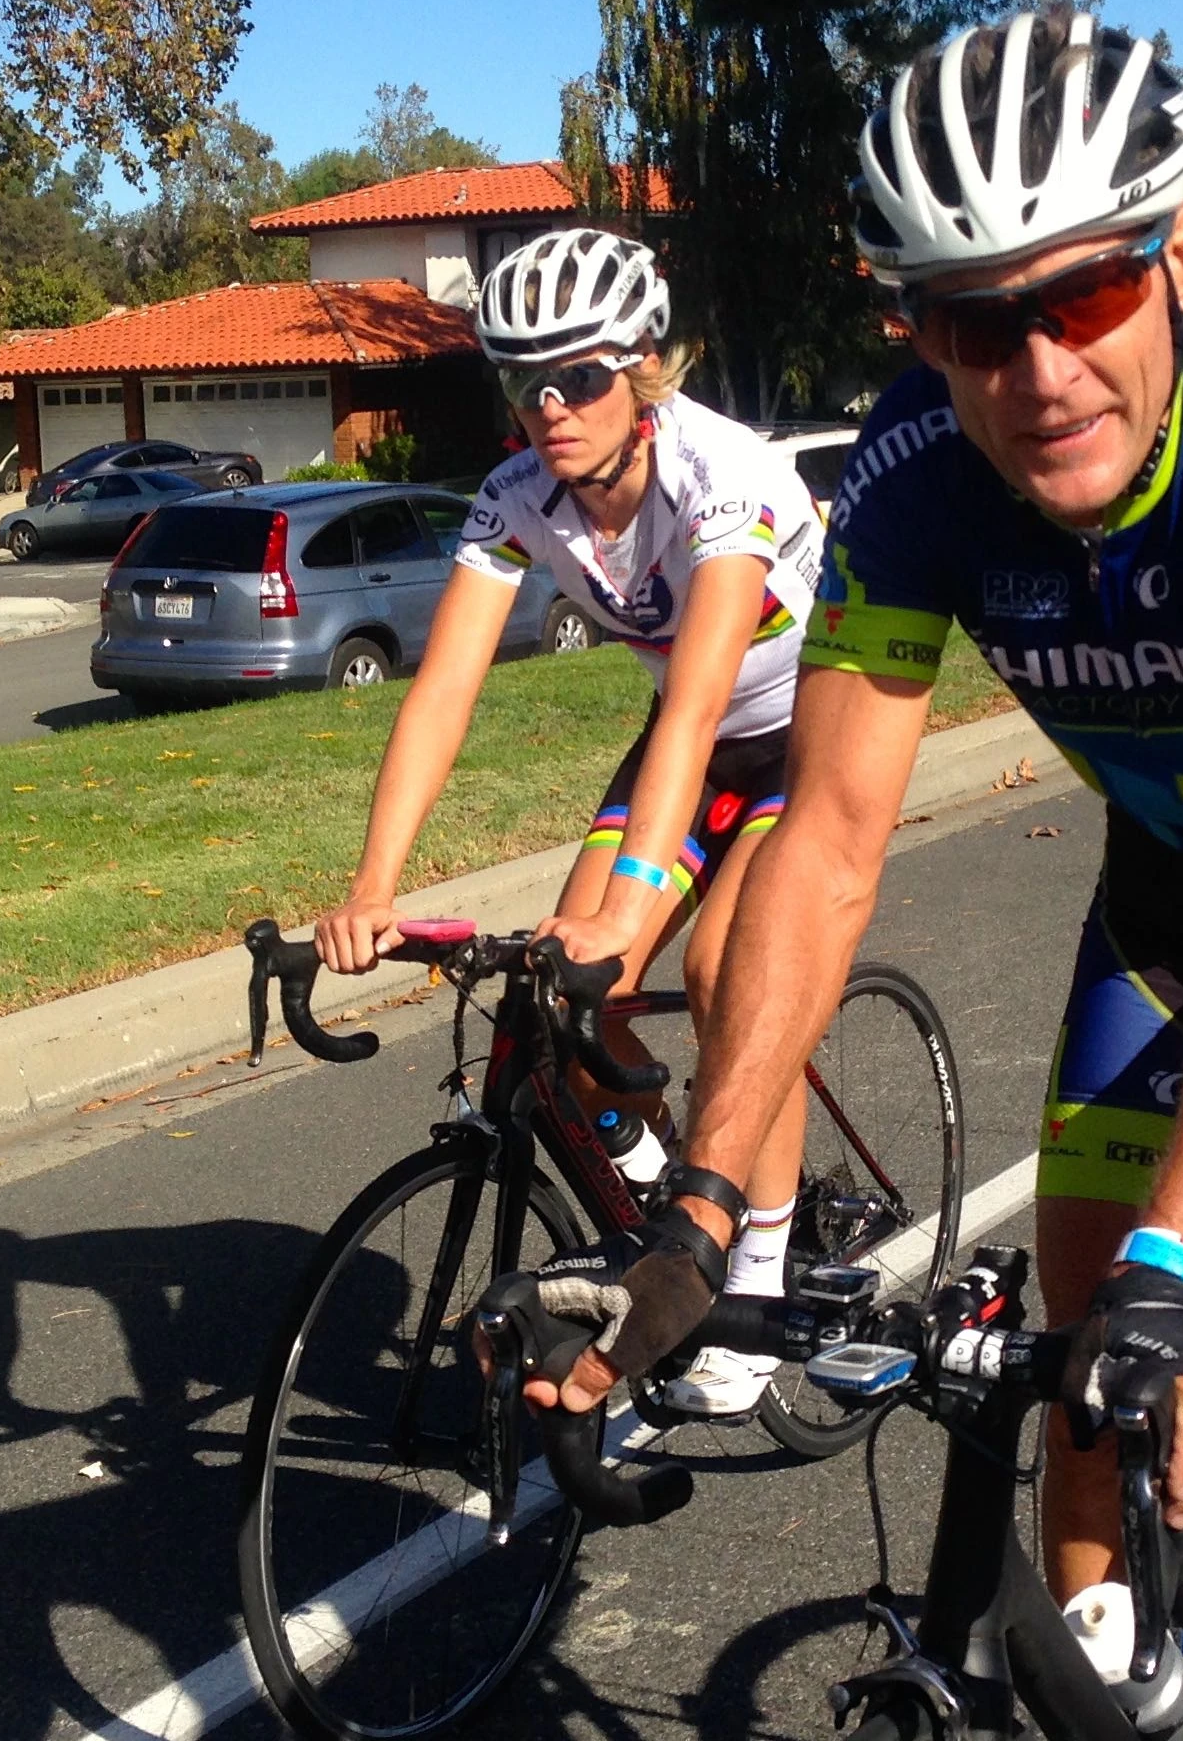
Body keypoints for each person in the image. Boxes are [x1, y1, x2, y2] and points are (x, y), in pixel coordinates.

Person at [521, 9, 1183, 1741]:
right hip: (1169, 878)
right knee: (1081, 1373)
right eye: (965, 317)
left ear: (1181, 258)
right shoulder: (913, 478)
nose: (1032, 367)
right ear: (907, 324)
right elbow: (828, 843)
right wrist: (703, 1197)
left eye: (1076, 296)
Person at [315, 226, 826, 1418]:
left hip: (801, 735)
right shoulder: (516, 497)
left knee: (727, 977)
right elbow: (443, 689)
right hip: (686, 754)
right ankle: (666, 1187)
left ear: (644, 368)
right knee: (557, 993)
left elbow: (698, 705)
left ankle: (745, 1281)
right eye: (523, 382)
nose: (552, 406)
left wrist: (632, 905)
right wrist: (371, 888)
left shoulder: (724, 477)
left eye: (580, 378)